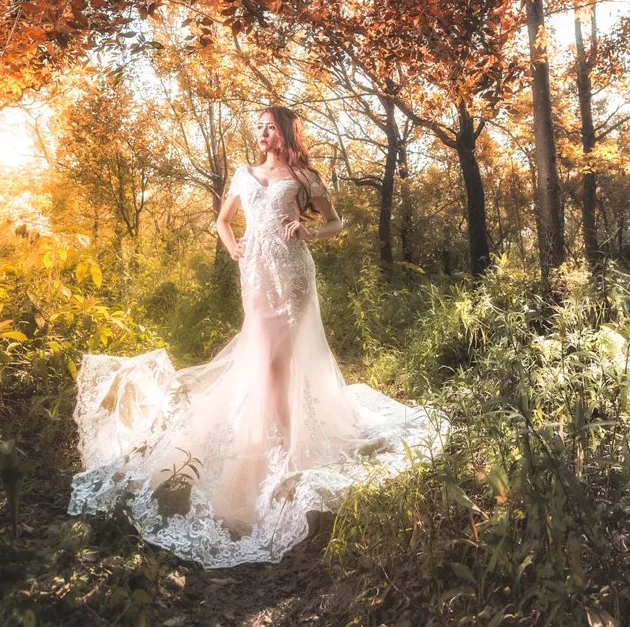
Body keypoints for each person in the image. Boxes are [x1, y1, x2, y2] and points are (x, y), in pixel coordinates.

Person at [68, 106, 445, 568]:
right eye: (259, 127)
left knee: (275, 364)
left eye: (270, 127)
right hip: (256, 277)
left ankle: (284, 456)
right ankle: (269, 441)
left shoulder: (305, 176)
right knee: (262, 357)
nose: (263, 134)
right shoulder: (243, 174)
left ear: (285, 132)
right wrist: (234, 249)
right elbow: (223, 221)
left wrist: (309, 231)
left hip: (293, 276)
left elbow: (337, 222)